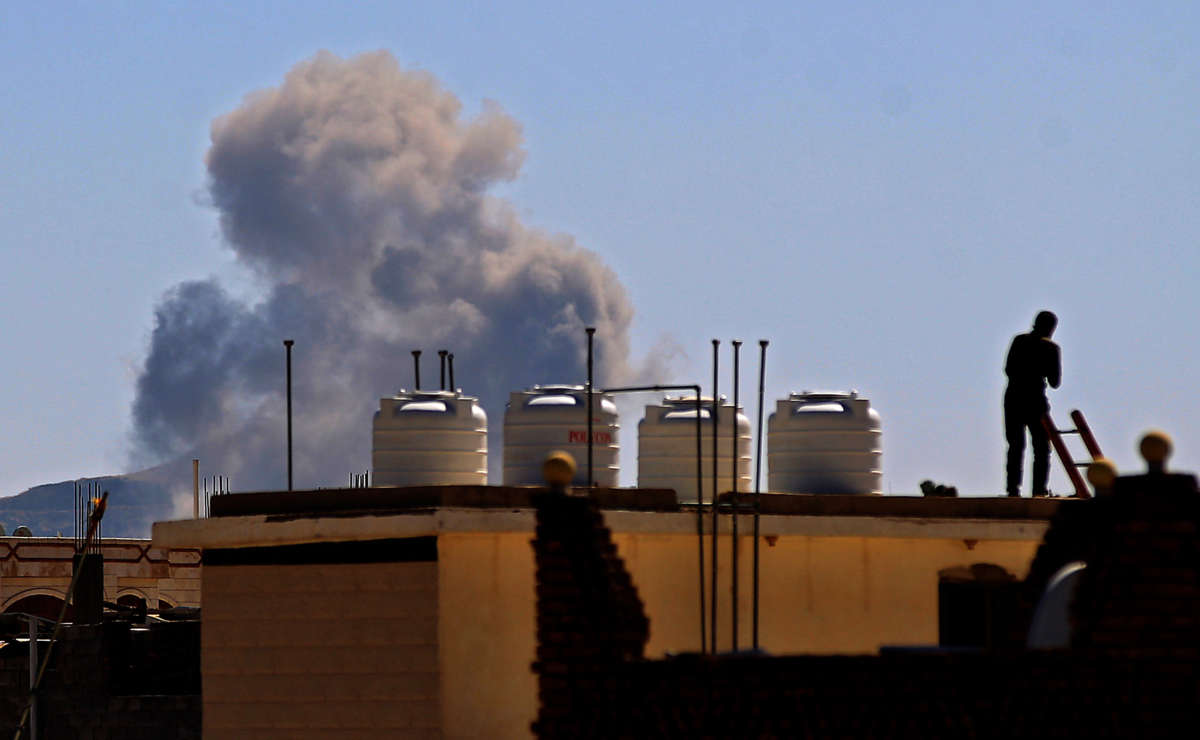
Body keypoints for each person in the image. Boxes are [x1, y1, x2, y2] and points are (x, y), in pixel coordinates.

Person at [1004, 311, 1061, 497]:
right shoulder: (1051, 348)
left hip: (1013, 397)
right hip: (1035, 400)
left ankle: (1013, 489)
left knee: (1016, 446)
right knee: (1042, 448)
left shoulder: (1019, 341)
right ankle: (1038, 490)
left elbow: (1009, 369)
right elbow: (1055, 382)